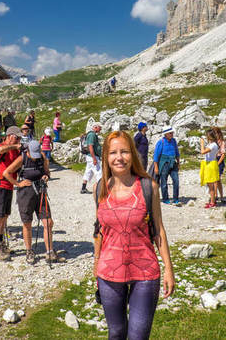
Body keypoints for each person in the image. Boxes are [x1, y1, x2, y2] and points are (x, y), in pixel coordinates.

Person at [93, 130, 174, 340]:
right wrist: (96, 270)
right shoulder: (99, 188)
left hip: (145, 271)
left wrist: (169, 270)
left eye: (125, 152)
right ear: (105, 157)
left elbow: (159, 231)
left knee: (138, 336)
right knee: (116, 333)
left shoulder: (149, 187)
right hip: (109, 272)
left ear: (133, 154)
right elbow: (99, 232)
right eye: (113, 153)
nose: (119, 157)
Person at [4, 140, 65, 265]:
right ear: (28, 151)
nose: (35, 157)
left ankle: (50, 252)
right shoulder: (22, 159)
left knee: (48, 222)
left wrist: (46, 176)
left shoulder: (42, 157)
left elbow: (47, 172)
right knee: (27, 223)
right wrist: (18, 183)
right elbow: (6, 173)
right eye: (33, 154)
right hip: (26, 193)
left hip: (41, 191)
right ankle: (29, 251)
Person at [0, 125, 22, 260]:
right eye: (16, 136)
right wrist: (14, 146)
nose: (18, 139)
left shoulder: (15, 150)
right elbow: (1, 150)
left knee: (4, 216)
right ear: (9, 136)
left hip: (8, 185)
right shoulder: (0, 147)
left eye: (19, 137)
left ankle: (0, 243)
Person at [153, 127, 180, 204]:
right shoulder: (160, 142)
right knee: (164, 182)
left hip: (173, 163)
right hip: (164, 164)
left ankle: (176, 199)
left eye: (172, 133)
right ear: (166, 134)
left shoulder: (174, 141)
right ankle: (165, 199)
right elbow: (156, 155)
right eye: (170, 133)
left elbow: (177, 152)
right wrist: (156, 167)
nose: (172, 134)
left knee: (176, 181)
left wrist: (178, 163)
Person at [200, 129, 221, 208]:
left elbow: (202, 152)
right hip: (210, 163)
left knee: (210, 184)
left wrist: (202, 144)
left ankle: (212, 202)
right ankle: (213, 200)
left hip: (210, 164)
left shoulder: (213, 145)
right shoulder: (213, 144)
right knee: (210, 184)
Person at [81, 122, 103, 194]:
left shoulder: (92, 134)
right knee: (98, 172)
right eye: (100, 127)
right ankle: (101, 190)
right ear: (96, 127)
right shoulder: (92, 135)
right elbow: (90, 146)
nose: (101, 129)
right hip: (92, 157)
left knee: (88, 172)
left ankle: (83, 188)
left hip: (90, 157)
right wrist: (94, 158)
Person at [212, 127, 226, 204]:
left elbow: (223, 154)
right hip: (213, 159)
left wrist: (218, 163)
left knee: (217, 179)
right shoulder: (213, 142)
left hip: (219, 159)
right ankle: (218, 196)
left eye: (215, 133)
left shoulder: (222, 142)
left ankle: (217, 195)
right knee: (216, 179)